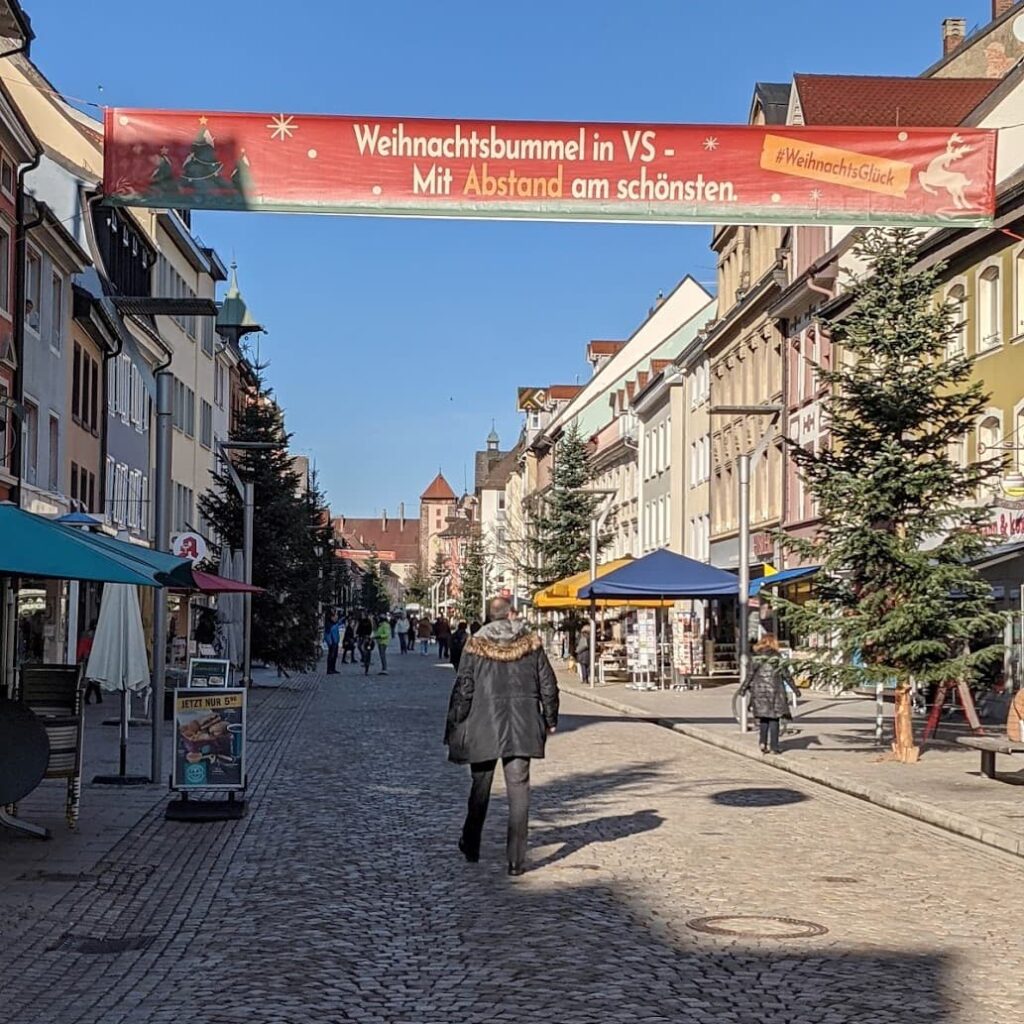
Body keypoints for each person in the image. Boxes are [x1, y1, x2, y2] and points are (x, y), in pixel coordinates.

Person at [444, 597, 559, 876]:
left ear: (489, 616)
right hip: (522, 725)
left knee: (480, 786)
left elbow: (464, 686)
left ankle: (471, 844)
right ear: (510, 614)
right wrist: (550, 719)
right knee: (519, 790)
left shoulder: (475, 644)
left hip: (483, 723)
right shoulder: (530, 643)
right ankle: (516, 860)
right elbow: (548, 683)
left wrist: (456, 721)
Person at [737, 633, 793, 755]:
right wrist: (795, 689)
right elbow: (785, 674)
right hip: (775, 692)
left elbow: (750, 675)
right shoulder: (777, 657)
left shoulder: (755, 657)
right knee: (774, 719)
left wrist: (743, 688)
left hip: (759, 692)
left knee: (763, 719)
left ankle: (762, 742)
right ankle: (774, 746)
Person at [79, 621, 101, 704]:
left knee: (92, 677)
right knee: (93, 678)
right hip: (94, 658)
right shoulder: (98, 635)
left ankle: (95, 697)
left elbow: (83, 647)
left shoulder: (86, 634)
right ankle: (93, 697)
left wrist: (80, 657)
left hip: (88, 657)